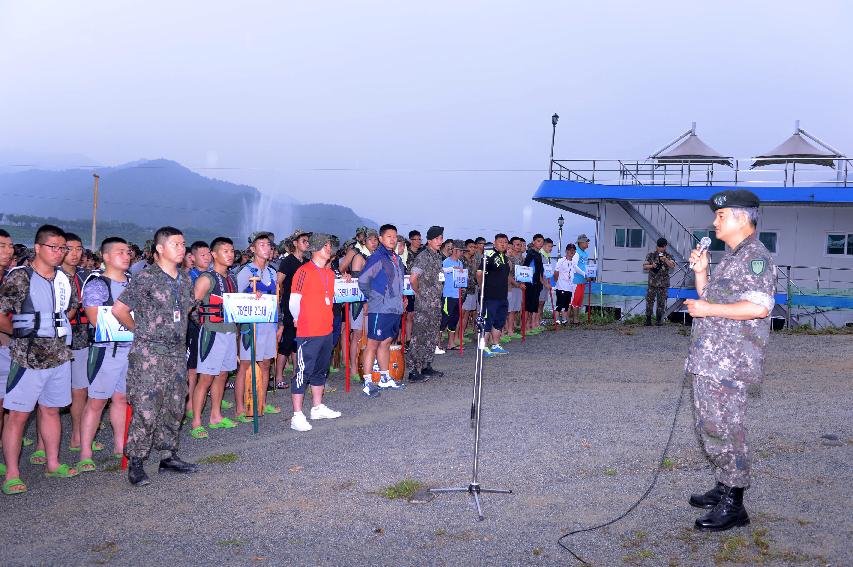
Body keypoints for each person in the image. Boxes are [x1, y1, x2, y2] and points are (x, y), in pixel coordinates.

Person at [684, 189, 776, 532]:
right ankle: (724, 485)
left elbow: (760, 307)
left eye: (721, 216)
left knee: (726, 428)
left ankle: (735, 503)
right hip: (712, 359)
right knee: (710, 426)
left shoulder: (756, 257)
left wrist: (708, 309)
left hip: (729, 362)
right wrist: (702, 271)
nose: (714, 221)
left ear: (740, 218)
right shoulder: (732, 257)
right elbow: (708, 297)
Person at [112, 226, 200, 486]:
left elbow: (187, 311)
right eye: (176, 244)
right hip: (150, 355)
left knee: (174, 406)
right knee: (146, 409)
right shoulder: (146, 277)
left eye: (183, 244)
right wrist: (140, 332)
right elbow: (120, 309)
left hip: (175, 353)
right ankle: (136, 463)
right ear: (160, 248)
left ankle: (168, 456)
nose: (182, 249)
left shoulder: (184, 279)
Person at [1, 224, 79, 494]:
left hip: (59, 356)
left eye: (63, 248)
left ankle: (53, 462)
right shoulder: (20, 277)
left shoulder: (64, 279)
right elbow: (1, 312)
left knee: (51, 410)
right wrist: (19, 334)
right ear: (38, 248)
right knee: (18, 416)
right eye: (53, 247)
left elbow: (70, 310)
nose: (59, 253)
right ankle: (12, 473)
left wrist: (50, 327)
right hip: (27, 359)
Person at [75, 237, 133, 473]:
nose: (126, 255)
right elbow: (95, 319)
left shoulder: (133, 283)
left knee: (121, 398)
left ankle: (120, 446)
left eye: (128, 252)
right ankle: (85, 453)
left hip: (130, 350)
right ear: (106, 257)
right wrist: (131, 324)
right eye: (120, 252)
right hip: (105, 350)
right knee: (97, 401)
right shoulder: (97, 284)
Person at [288, 233, 342, 431]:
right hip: (308, 330)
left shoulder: (329, 273)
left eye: (330, 246)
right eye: (325, 246)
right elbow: (294, 301)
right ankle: (297, 415)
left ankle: (317, 407)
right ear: (316, 248)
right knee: (303, 371)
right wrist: (299, 319)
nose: (329, 249)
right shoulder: (303, 271)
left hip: (325, 329)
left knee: (321, 370)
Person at [189, 237, 240, 439]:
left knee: (222, 375)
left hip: (229, 332)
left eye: (232, 251)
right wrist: (204, 324)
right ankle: (196, 422)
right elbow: (191, 306)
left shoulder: (232, 278)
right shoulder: (206, 278)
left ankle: (216, 416)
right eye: (225, 251)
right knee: (206, 378)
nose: (230, 255)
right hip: (212, 332)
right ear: (214, 254)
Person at [234, 232, 281, 420]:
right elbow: (235, 299)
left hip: (269, 325)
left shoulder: (272, 272)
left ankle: (261, 403)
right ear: (252, 249)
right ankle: (240, 408)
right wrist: (250, 297)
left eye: (268, 245)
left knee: (266, 363)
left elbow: (276, 300)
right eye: (261, 244)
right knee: (245, 365)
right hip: (250, 326)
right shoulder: (246, 271)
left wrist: (280, 324)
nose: (266, 247)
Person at [358, 224, 407, 397]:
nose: (393, 239)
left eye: (395, 236)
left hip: (394, 307)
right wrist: (373, 297)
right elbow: (363, 280)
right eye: (389, 236)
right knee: (372, 343)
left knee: (386, 342)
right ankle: (368, 382)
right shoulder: (377, 257)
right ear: (380, 238)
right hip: (380, 307)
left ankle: (385, 378)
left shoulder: (397, 259)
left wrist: (402, 298)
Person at [61, 233, 97, 456]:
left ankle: (77, 435)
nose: (75, 253)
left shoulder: (87, 277)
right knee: (48, 395)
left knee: (80, 389)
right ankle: (41, 446)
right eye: (69, 248)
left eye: (78, 249)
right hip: (54, 341)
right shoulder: (52, 277)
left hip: (82, 337)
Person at [406, 225, 444, 382]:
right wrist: (419, 292)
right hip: (424, 304)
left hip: (435, 303)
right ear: (429, 240)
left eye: (441, 238)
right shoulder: (423, 256)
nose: (440, 241)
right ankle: (414, 371)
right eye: (437, 238)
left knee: (431, 335)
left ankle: (427, 366)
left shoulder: (437, 256)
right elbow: (413, 279)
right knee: (419, 336)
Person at [275, 230, 310, 389]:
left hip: (305, 306)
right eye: (303, 240)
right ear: (295, 243)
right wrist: (281, 299)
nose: (306, 243)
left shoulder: (307, 262)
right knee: (287, 341)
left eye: (307, 241)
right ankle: (278, 377)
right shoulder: (288, 261)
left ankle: (298, 373)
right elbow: (278, 282)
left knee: (299, 341)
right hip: (290, 305)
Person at [341, 229, 378, 382]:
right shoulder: (358, 256)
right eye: (370, 240)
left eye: (376, 239)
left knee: (370, 334)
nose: (374, 242)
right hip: (360, 301)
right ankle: (353, 368)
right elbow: (358, 284)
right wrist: (365, 302)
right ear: (364, 241)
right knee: (356, 334)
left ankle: (367, 365)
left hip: (373, 299)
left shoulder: (375, 256)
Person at [185, 241, 211, 422]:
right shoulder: (188, 277)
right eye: (203, 255)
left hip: (210, 328)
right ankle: (188, 404)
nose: (207, 257)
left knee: (208, 367)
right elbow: (190, 306)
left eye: (209, 254)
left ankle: (199, 401)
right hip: (194, 327)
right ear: (192, 258)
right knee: (192, 368)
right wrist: (202, 324)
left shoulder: (212, 276)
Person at [479, 234, 511, 358]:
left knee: (499, 322)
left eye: (505, 242)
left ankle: (495, 345)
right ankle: (483, 347)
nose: (503, 244)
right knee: (487, 322)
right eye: (500, 242)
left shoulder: (504, 257)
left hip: (502, 296)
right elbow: (479, 272)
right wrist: (482, 288)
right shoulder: (489, 255)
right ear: (494, 243)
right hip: (489, 296)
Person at [0, 229, 14, 464]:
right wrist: (20, 333)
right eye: (2, 246)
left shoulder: (8, 277)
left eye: (10, 246)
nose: (8, 250)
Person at [643, 237, 676, 326]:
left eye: (662, 247)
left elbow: (672, 266)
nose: (660, 249)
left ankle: (658, 320)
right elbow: (644, 266)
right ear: (657, 246)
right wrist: (652, 266)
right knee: (650, 301)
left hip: (663, 284)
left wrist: (665, 259)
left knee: (661, 302)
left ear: (665, 247)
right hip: (652, 283)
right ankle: (648, 319)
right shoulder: (651, 255)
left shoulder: (669, 256)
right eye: (659, 247)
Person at [440, 240, 466, 351]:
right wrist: (451, 269)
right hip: (448, 295)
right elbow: (441, 272)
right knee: (444, 319)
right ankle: (437, 344)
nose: (462, 253)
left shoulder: (460, 263)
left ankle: (451, 343)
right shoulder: (446, 261)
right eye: (461, 251)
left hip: (458, 295)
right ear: (455, 250)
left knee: (454, 320)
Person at [523, 234, 547, 333]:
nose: (540, 243)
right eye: (538, 241)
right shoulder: (531, 253)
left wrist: (543, 282)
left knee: (533, 306)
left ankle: (530, 325)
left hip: (537, 283)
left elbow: (540, 271)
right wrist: (524, 281)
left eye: (542, 241)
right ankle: (525, 327)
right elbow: (525, 267)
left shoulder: (539, 254)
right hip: (530, 283)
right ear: (533, 242)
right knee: (527, 306)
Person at [404, 230, 422, 340]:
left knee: (417, 314)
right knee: (409, 315)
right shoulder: (406, 253)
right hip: (408, 287)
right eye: (417, 239)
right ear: (411, 240)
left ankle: (415, 338)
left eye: (420, 239)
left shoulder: (421, 254)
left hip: (420, 286)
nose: (419, 241)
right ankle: (408, 339)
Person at [553, 244, 577, 325]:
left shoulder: (573, 262)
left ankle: (564, 320)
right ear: (566, 251)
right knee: (559, 305)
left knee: (566, 305)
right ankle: (556, 321)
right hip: (561, 287)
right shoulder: (561, 260)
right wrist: (557, 282)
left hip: (569, 287)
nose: (572, 251)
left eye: (573, 250)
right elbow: (556, 272)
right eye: (570, 250)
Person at [569, 234, 591, 324]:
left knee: (579, 300)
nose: (587, 244)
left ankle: (575, 319)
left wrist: (589, 273)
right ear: (581, 242)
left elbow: (584, 266)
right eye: (586, 242)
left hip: (582, 280)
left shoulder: (585, 253)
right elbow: (574, 266)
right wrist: (584, 274)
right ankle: (574, 319)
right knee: (574, 300)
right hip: (576, 280)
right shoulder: (576, 252)